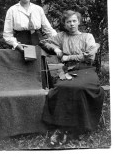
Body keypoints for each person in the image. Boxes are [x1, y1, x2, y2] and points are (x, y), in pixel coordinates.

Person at [42, 10, 104, 146]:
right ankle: (62, 128)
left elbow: (90, 56)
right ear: (64, 24)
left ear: (79, 22)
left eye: (74, 21)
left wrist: (68, 57)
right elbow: (45, 42)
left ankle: (73, 128)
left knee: (80, 87)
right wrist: (56, 49)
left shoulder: (87, 36)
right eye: (68, 21)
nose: (71, 24)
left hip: (86, 70)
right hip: (68, 70)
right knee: (63, 87)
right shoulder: (62, 36)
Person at [3, 0, 57, 89]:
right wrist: (16, 45)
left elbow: (48, 29)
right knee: (23, 76)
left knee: (40, 73)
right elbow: (7, 34)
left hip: (36, 42)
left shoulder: (38, 9)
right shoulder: (12, 10)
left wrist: (59, 40)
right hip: (21, 44)